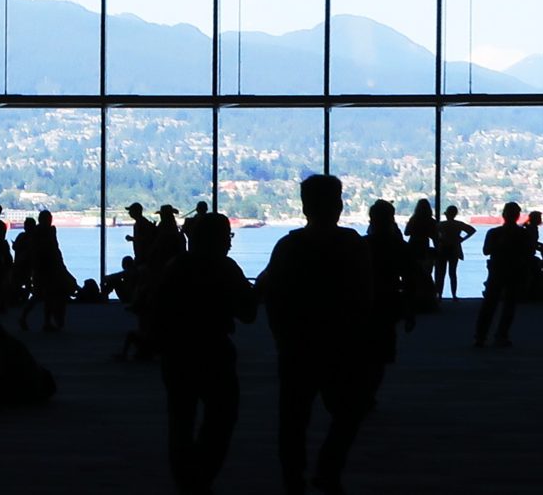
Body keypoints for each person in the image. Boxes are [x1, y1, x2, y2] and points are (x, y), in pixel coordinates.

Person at [259, 174, 392, 495]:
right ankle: (328, 469)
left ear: (305, 207)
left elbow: (270, 294)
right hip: (343, 345)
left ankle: (294, 479)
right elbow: (365, 298)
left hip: (297, 346)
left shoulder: (288, 246)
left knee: (293, 419)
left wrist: (282, 336)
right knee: (350, 411)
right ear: (339, 206)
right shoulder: (353, 245)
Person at [148, 211, 256, 495]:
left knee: (180, 420)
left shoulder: (175, 267)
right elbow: (248, 313)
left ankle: (186, 481)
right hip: (214, 352)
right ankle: (201, 477)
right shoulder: (226, 268)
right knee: (221, 417)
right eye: (227, 238)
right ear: (220, 240)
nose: (230, 244)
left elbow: (157, 311)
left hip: (177, 354)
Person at [474, 201, 532, 349]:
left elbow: (486, 251)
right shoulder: (523, 234)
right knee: (509, 306)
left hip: (496, 271)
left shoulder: (493, 233)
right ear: (518, 216)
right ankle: (501, 335)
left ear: (503, 215)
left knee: (489, 305)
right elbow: (528, 253)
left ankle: (481, 336)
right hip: (514, 271)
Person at [432, 203, 473, 299]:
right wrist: (462, 239)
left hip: (443, 249)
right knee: (452, 273)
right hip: (454, 249)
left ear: (446, 214)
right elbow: (471, 230)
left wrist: (438, 242)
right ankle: (454, 295)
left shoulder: (441, 225)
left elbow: (434, 235)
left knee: (441, 274)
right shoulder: (458, 224)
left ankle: (439, 295)